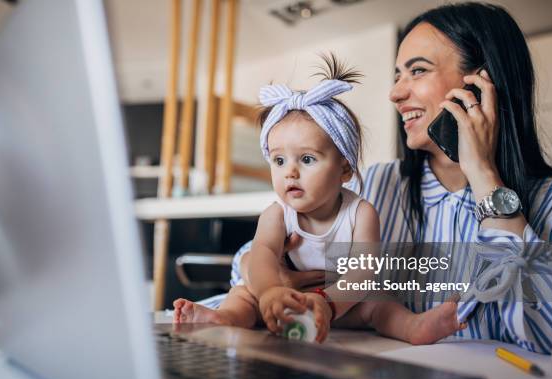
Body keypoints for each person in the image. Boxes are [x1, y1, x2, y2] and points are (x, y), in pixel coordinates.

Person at [226, 3, 552, 354]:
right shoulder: (375, 186)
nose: (395, 93)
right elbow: (251, 259)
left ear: (481, 85)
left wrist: (485, 176)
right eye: (397, 76)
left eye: (417, 71)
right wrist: (278, 277)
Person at [173, 55, 463, 344]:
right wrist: (270, 292)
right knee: (242, 295)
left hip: (339, 304)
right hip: (277, 301)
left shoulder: (361, 213)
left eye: (307, 159)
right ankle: (226, 318)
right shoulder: (277, 214)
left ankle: (414, 328)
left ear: (345, 168)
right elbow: (262, 256)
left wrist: (327, 302)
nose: (291, 172)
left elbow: (363, 273)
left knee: (379, 304)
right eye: (279, 160)